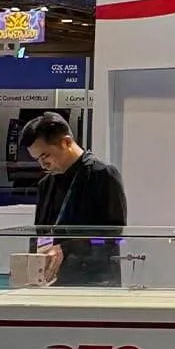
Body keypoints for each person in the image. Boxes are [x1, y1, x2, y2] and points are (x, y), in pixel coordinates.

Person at [20, 112, 128, 287]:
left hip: (95, 282)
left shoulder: (103, 176)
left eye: (45, 155)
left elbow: (113, 236)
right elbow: (41, 233)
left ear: (66, 142)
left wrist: (66, 249)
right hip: (52, 282)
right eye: (37, 159)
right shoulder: (46, 184)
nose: (42, 164)